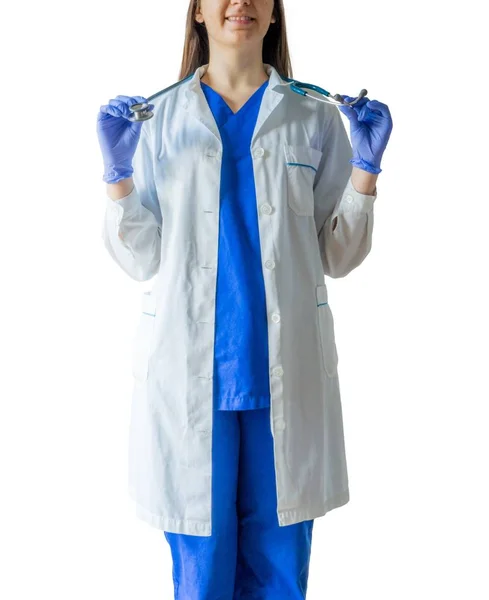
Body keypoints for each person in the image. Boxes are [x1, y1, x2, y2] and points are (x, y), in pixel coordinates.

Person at [96, 0, 393, 597]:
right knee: (203, 577)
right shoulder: (156, 119)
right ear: (198, 12)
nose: (241, 3)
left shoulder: (311, 115)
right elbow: (141, 258)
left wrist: (365, 169)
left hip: (284, 377)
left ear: (276, 13)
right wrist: (118, 176)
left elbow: (338, 255)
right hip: (190, 379)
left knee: (280, 574)